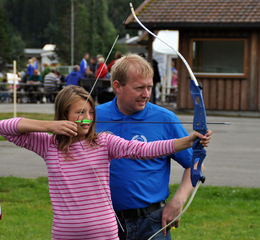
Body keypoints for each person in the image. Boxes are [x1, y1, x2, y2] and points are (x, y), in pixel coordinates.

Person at [0, 85, 211, 240]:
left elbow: (144, 149)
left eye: (91, 112)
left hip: (103, 234)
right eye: (80, 112)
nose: (88, 118)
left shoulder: (103, 142)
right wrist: (48, 126)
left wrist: (187, 141)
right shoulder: (49, 144)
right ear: (64, 115)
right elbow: (5, 127)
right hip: (65, 234)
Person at [95, 54, 210, 240]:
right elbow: (71, 130)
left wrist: (178, 201)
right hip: (103, 220)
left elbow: (196, 163)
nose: (146, 94)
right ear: (117, 86)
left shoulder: (165, 119)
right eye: (139, 88)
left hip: (151, 222)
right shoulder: (93, 117)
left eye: (149, 87)